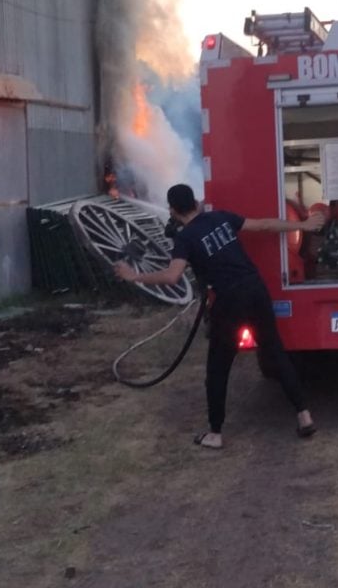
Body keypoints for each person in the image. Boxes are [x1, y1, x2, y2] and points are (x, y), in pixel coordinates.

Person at [114, 184, 325, 449]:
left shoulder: (186, 238)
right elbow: (262, 225)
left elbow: (172, 276)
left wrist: (134, 276)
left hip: (230, 300)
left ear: (172, 210)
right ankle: (304, 415)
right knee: (275, 352)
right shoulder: (220, 217)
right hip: (256, 288)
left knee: (218, 368)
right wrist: (302, 226)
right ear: (195, 202)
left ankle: (215, 433)